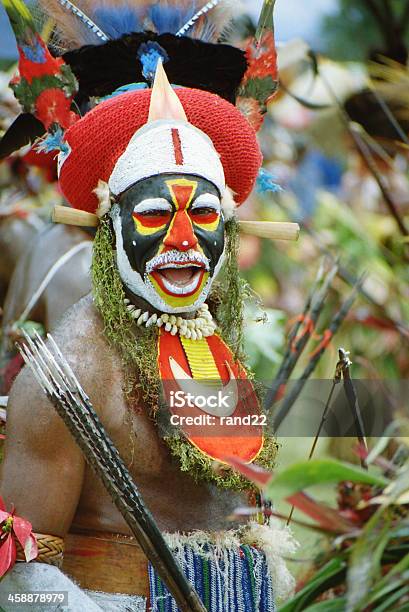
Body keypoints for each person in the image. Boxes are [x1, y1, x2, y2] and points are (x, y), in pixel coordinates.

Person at [0, 2, 296, 610]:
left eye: (205, 217)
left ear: (232, 233)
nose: (184, 242)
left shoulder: (207, 339)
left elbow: (236, 514)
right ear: (110, 229)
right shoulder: (68, 375)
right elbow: (19, 583)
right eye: (156, 216)